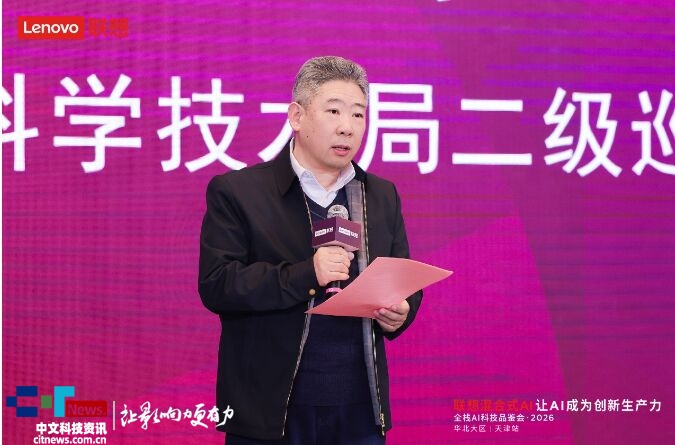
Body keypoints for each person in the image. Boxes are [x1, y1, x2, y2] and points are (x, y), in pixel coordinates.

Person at [198, 56, 423, 444]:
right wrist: (308, 273)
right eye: (334, 111)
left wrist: (402, 311)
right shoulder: (239, 192)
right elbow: (218, 285)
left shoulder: (381, 195)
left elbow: (400, 276)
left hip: (360, 411)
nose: (347, 126)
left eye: (358, 114)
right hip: (271, 412)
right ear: (297, 117)